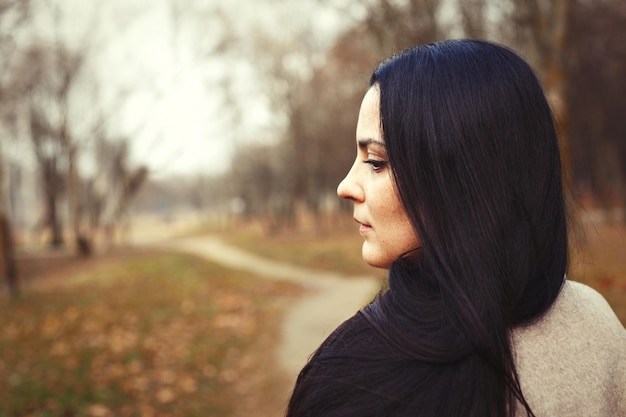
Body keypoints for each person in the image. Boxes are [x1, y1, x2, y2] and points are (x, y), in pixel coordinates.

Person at [285, 39, 626, 417]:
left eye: (376, 162)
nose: (345, 187)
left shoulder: (349, 378)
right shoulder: (593, 321)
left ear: (463, 179)